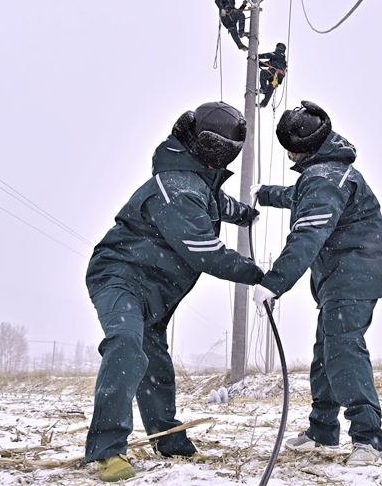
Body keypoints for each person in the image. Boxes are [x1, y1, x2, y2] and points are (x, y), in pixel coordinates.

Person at [84, 101, 264, 482]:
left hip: (154, 290)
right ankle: (107, 450)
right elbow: (206, 251)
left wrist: (247, 213)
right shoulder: (178, 188)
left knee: (156, 366)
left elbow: (217, 203)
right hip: (121, 275)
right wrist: (259, 274)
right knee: (126, 344)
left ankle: (167, 440)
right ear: (213, 150)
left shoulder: (195, 178)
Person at [252, 101, 382, 466]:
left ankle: (369, 440)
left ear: (303, 147)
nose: (289, 156)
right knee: (325, 354)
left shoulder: (326, 178)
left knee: (343, 352)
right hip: (339, 278)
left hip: (352, 277)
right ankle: (323, 430)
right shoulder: (325, 173)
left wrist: (274, 282)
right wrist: (264, 193)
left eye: (290, 149)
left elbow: (308, 235)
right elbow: (298, 196)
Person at [258, 42, 287, 107]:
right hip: (279, 76)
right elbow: (268, 63)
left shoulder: (279, 54)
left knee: (263, 73)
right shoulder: (281, 59)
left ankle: (263, 88)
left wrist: (257, 56)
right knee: (271, 87)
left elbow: (269, 55)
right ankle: (264, 103)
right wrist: (258, 62)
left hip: (276, 72)